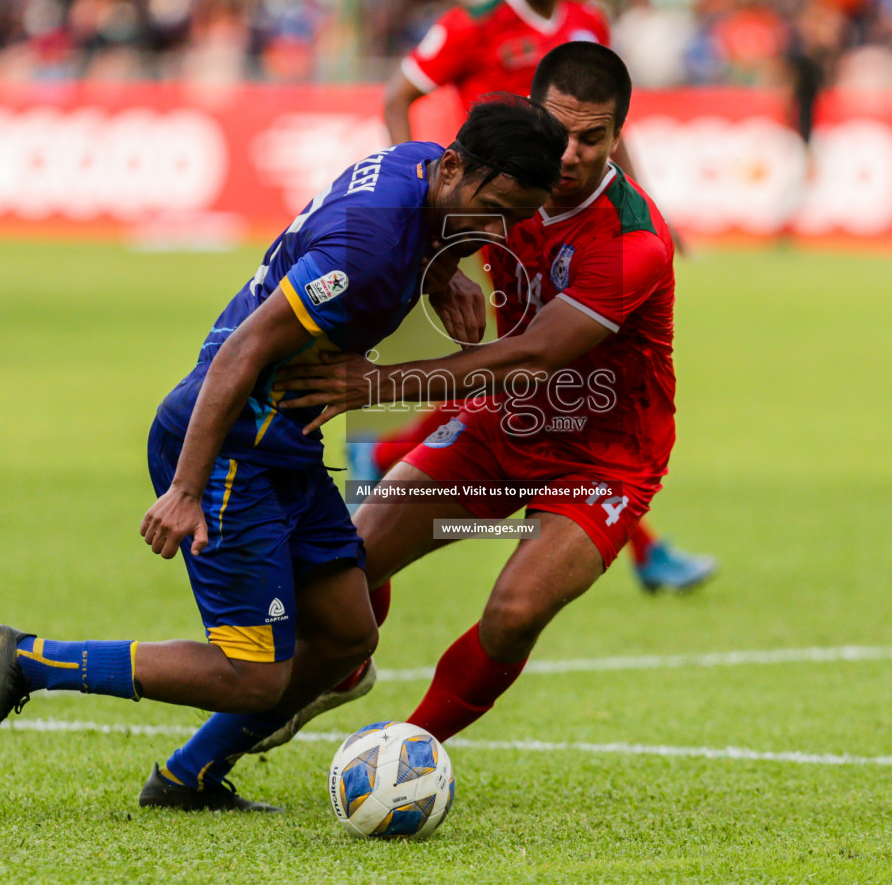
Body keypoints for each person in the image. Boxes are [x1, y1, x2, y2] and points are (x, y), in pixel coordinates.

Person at [0, 97, 568, 811]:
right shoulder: (364, 251)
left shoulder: (419, 170)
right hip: (230, 451)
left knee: (346, 638)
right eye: (489, 209)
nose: (493, 232)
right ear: (455, 167)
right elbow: (245, 349)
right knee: (253, 675)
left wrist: (444, 272)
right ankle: (27, 661)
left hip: (286, 447)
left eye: (511, 221)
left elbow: (426, 231)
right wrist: (186, 489)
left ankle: (187, 779)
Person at [204, 42, 682, 764]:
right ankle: (346, 668)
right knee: (348, 571)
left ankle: (407, 751)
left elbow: (530, 355)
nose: (572, 155)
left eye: (594, 137)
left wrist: (376, 383)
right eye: (562, 132)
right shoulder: (508, 188)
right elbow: (430, 214)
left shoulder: (633, 242)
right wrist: (440, 277)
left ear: (620, 135)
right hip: (501, 431)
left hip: (603, 459)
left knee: (516, 609)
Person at [371, 0, 714, 593]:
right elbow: (396, 95)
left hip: (574, 215)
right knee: (525, 367)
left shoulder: (588, 19)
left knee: (542, 366)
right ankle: (389, 457)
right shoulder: (472, 25)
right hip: (502, 212)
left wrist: (643, 203)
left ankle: (391, 457)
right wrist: (431, 202)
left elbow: (611, 125)